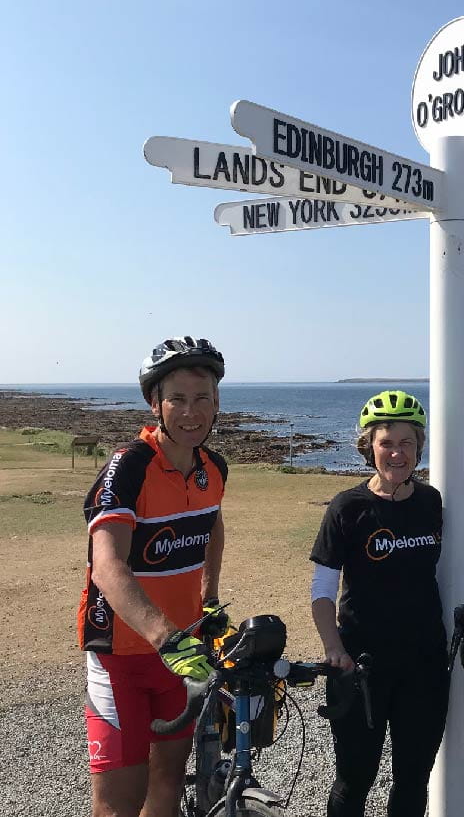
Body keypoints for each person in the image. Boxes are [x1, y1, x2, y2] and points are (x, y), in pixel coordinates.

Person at [77, 336, 230, 817]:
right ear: (155, 404)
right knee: (121, 802)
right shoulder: (129, 467)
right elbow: (107, 566)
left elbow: (212, 522)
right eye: (178, 399)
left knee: (167, 781)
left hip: (179, 654)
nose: (192, 412)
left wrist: (210, 599)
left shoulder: (213, 467)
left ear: (217, 401)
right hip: (122, 654)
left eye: (202, 398)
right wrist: (165, 636)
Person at [310, 390, 449, 817]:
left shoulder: (430, 502)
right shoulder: (348, 507)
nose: (397, 453)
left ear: (419, 448)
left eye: (407, 443)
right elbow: (322, 590)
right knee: (355, 778)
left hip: (424, 665)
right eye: (387, 442)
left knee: (413, 779)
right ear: (369, 446)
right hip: (361, 665)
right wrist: (334, 649)